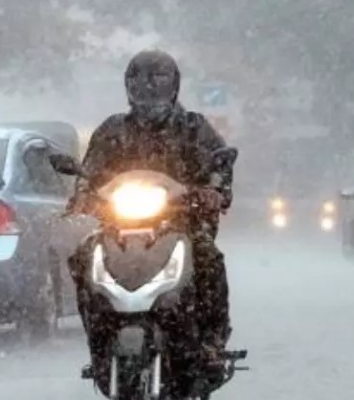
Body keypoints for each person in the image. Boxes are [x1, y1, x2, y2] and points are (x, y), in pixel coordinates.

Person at [66, 49, 235, 376]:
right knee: (82, 258)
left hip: (180, 222)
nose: (149, 88)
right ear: (128, 85)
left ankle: (212, 342)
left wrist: (213, 191)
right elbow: (91, 170)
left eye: (158, 80)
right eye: (140, 80)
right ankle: (99, 342)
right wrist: (82, 193)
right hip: (118, 225)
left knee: (208, 258)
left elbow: (219, 164)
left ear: (174, 85)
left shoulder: (193, 127)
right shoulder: (113, 129)